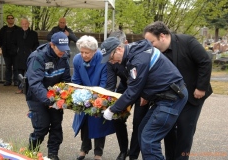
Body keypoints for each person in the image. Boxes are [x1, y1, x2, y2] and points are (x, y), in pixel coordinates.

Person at [101, 37, 188, 159]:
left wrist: (112, 110)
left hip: (171, 98)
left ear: (119, 49)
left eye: (111, 58)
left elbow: (133, 90)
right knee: (142, 131)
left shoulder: (138, 59)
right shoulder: (134, 53)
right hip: (164, 97)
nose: (112, 62)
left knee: (149, 139)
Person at [143, 21, 212, 160]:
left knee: (185, 131)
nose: (150, 46)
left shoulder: (187, 41)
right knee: (168, 130)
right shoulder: (156, 53)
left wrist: (201, 87)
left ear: (162, 36)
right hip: (170, 98)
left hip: (193, 95)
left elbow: (205, 62)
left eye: (152, 42)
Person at [26, 32, 71, 160]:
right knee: (42, 126)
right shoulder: (37, 57)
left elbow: (66, 80)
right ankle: (31, 152)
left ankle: (53, 154)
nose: (63, 52)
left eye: (65, 49)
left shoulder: (64, 56)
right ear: (52, 45)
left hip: (55, 97)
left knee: (57, 125)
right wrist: (49, 100)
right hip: (37, 96)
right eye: (60, 49)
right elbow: (35, 83)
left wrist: (65, 96)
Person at [105, 30, 148, 160]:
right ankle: (124, 150)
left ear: (125, 44)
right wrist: (109, 100)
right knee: (117, 117)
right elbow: (110, 84)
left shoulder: (136, 55)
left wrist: (146, 94)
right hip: (125, 87)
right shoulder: (110, 59)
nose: (112, 60)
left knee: (138, 122)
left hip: (143, 89)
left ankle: (133, 155)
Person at [71, 35, 115, 160]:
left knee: (99, 122)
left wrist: (96, 97)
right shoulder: (77, 59)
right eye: (82, 52)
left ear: (95, 51)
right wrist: (80, 95)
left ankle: (98, 153)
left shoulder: (103, 59)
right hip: (83, 95)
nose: (84, 55)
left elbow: (104, 81)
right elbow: (76, 80)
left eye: (87, 52)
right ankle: (84, 148)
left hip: (100, 94)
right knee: (84, 122)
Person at [13, 18, 39, 94]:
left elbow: (36, 44)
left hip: (30, 55)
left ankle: (28, 88)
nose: (24, 25)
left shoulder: (33, 33)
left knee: (30, 72)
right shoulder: (17, 33)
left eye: (26, 23)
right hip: (19, 55)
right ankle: (20, 88)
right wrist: (16, 50)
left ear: (28, 24)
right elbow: (13, 44)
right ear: (21, 24)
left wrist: (33, 52)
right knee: (19, 73)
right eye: (23, 24)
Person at [0, 14, 20, 86]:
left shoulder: (18, 29)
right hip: (6, 51)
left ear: (13, 19)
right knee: (8, 67)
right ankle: (8, 80)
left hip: (15, 52)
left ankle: (16, 81)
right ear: (7, 20)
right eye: (9, 18)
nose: (10, 19)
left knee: (16, 67)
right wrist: (0, 48)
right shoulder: (3, 29)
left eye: (11, 18)